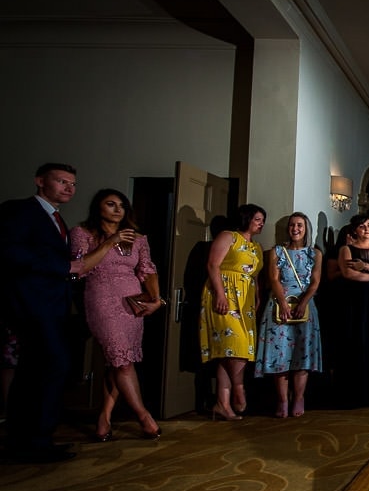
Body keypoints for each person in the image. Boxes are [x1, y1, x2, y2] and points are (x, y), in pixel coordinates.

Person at [0, 163, 86, 462]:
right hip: (31, 305)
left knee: (39, 370)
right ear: (39, 181)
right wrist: (64, 267)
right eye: (61, 181)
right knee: (50, 366)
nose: (68, 188)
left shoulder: (57, 219)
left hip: (54, 305)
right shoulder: (20, 211)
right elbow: (9, 251)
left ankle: (31, 440)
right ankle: (32, 440)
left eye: (72, 184)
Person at [69, 188, 165, 441]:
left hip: (131, 305)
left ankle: (104, 419)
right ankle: (145, 418)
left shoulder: (139, 239)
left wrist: (156, 300)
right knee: (122, 361)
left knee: (118, 363)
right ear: (97, 208)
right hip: (101, 301)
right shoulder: (83, 234)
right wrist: (110, 242)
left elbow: (148, 270)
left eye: (121, 205)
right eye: (110, 204)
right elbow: (79, 268)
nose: (117, 209)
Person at [199, 203, 266, 421]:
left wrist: (256, 296)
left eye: (262, 220)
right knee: (234, 344)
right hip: (225, 294)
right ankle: (239, 387)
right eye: (257, 219)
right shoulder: (229, 236)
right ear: (246, 219)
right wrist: (220, 294)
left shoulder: (256, 247)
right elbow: (212, 265)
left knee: (230, 350)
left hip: (245, 300)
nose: (261, 223)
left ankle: (222, 405)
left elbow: (255, 275)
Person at [255, 212, 324, 417]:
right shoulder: (277, 252)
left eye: (300, 225)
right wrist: (283, 302)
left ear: (306, 229)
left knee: (301, 354)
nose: (295, 229)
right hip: (279, 305)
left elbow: (315, 282)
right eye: (292, 225)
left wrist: (303, 302)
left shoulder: (315, 254)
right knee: (280, 354)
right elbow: (274, 279)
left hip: (305, 305)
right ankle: (282, 400)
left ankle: (299, 398)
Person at [331, 213, 369, 408]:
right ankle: (355, 391)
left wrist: (365, 266)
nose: (367, 229)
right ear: (355, 230)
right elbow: (350, 274)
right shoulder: (346, 249)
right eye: (362, 226)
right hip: (356, 299)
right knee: (357, 339)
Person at [181, 214, 228, 414]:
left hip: (210, 307)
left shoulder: (227, 251)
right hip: (205, 307)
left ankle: (212, 401)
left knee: (211, 358)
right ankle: (203, 402)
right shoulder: (204, 249)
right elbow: (190, 280)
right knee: (205, 357)